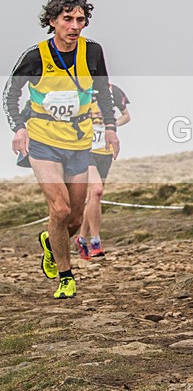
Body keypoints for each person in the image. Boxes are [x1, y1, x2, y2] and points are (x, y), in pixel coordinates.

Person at [3, 0, 120, 299]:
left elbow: (103, 92)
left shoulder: (92, 52)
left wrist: (110, 128)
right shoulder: (35, 56)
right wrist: (19, 129)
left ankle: (49, 241)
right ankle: (66, 277)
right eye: (68, 19)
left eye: (80, 19)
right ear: (53, 21)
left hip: (79, 142)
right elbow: (10, 94)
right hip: (43, 140)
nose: (75, 25)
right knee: (60, 208)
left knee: (75, 218)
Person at [74, 84, 131, 260]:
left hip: (105, 151)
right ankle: (96, 242)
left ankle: (81, 239)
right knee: (97, 191)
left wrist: (111, 126)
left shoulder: (113, 90)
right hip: (86, 149)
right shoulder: (79, 89)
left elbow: (126, 116)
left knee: (94, 197)